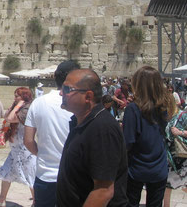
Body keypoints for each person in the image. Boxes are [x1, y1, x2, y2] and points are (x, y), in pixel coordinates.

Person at [56, 69, 128, 206]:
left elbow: (103, 191)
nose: (61, 93)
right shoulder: (81, 122)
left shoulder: (102, 128)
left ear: (88, 96)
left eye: (67, 89)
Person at [23, 60, 79, 207]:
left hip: (45, 175)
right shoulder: (80, 105)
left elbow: (28, 140)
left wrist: (42, 154)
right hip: (74, 176)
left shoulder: (38, 103)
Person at [123, 66, 176, 207]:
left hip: (136, 168)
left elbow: (128, 142)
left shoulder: (133, 109)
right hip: (158, 167)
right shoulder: (164, 108)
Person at [0, 87, 36, 206]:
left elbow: (10, 118)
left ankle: (36, 202)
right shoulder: (17, 107)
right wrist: (15, 105)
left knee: (30, 176)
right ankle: (1, 200)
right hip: (15, 149)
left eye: (17, 96)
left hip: (25, 149)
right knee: (6, 173)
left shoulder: (27, 108)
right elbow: (6, 116)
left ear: (24, 97)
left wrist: (18, 105)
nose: (14, 98)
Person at [164, 108, 187, 207]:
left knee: (184, 183)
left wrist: (179, 133)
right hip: (170, 157)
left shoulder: (184, 115)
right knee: (168, 184)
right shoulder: (165, 115)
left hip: (182, 157)